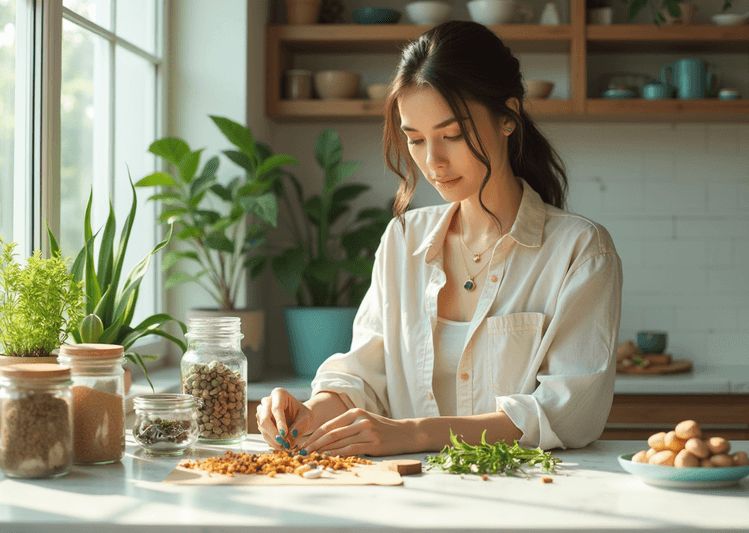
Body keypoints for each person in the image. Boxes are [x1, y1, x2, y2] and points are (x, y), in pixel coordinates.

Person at [256, 20, 623, 457]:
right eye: (415, 139)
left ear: (508, 117)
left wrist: (414, 434)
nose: (433, 162)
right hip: (411, 501)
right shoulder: (402, 239)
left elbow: (568, 413)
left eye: (452, 135)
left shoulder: (580, 251)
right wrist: (310, 412)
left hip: (528, 498)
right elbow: (362, 377)